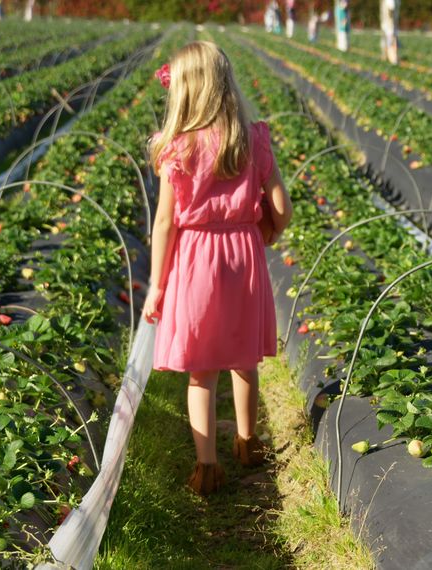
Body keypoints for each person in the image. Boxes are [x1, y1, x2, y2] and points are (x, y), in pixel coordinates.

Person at [144, 42, 293, 496]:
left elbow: (166, 222)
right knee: (243, 358)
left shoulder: (178, 148)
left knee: (201, 370)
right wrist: (264, 231)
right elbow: (282, 209)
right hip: (243, 252)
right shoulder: (253, 139)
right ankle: (248, 443)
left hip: (195, 258)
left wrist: (156, 284)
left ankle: (207, 467)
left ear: (183, 93)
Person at [380, 0, 400, 65]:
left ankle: (390, 57)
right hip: (389, 24)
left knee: (388, 39)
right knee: (390, 39)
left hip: (388, 24)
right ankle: (392, 58)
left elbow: (391, 8)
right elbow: (391, 8)